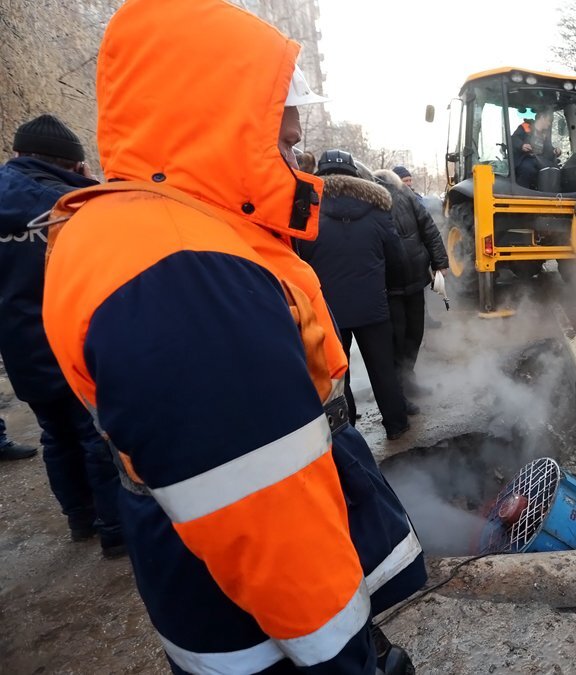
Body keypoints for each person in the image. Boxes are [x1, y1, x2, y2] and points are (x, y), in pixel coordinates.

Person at [39, 1, 425, 672]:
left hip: (217, 609)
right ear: (218, 126)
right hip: (268, 642)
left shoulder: (143, 235)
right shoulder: (185, 274)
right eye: (282, 141)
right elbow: (269, 516)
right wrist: (348, 657)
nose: (293, 161)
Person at [0, 114, 125, 556]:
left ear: (17, 155)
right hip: (75, 341)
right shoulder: (74, 204)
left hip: (20, 347)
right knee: (95, 436)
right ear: (75, 164)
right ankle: (114, 530)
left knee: (54, 433)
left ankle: (79, 519)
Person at [297, 150, 415, 437]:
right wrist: (391, 288)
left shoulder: (307, 212)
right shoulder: (377, 209)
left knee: (340, 372)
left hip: (328, 311)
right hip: (373, 305)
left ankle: (348, 429)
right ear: (355, 175)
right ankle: (396, 425)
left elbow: (299, 260)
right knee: (383, 369)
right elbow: (397, 257)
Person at [374, 168, 449, 397]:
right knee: (397, 335)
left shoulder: (407, 196)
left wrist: (439, 262)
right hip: (390, 285)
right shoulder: (371, 200)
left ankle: (408, 379)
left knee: (415, 332)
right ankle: (398, 389)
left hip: (416, 279)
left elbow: (429, 229)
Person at [512, 108, 560, 189]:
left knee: (554, 169)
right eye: (548, 121)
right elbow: (513, 139)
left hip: (540, 160)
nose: (549, 124)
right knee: (527, 168)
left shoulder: (545, 134)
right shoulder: (525, 127)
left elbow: (548, 148)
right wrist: (521, 145)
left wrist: (554, 151)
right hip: (525, 159)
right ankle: (522, 193)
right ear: (542, 117)